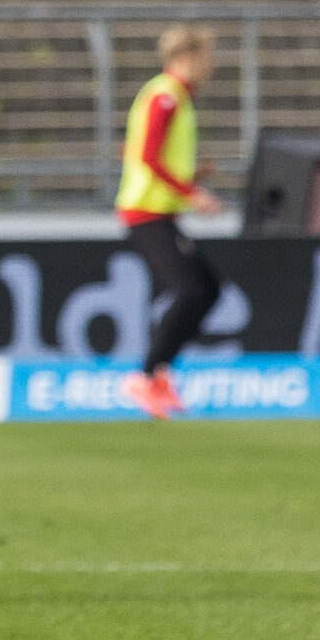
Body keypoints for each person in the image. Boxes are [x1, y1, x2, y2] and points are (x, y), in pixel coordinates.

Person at [118, 24, 225, 419]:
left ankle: (158, 373)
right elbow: (146, 156)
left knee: (207, 289)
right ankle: (146, 376)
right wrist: (192, 193)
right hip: (146, 212)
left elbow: (145, 154)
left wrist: (190, 177)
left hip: (159, 210)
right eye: (207, 57)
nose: (211, 66)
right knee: (192, 290)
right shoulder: (166, 96)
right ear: (188, 57)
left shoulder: (173, 96)